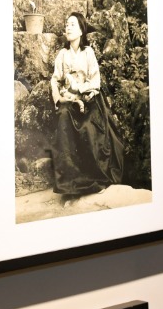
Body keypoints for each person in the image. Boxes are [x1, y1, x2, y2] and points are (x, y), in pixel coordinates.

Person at [50, 12, 124, 195]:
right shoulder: (62, 54)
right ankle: (70, 183)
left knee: (90, 128)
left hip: (90, 100)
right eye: (66, 24)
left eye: (73, 24)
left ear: (81, 30)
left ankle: (94, 178)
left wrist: (78, 88)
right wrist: (60, 97)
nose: (68, 27)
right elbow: (54, 80)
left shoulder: (88, 53)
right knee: (64, 118)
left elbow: (95, 82)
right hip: (69, 101)